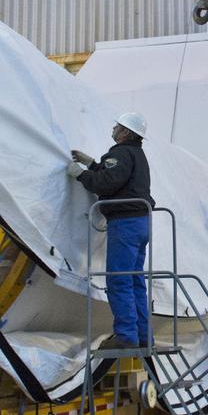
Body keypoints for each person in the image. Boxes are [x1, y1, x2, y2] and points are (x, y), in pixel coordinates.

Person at [68, 111, 153, 350]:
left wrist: (82, 174)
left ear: (126, 132)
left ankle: (126, 336)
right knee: (135, 280)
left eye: (117, 126)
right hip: (141, 222)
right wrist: (93, 164)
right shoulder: (137, 154)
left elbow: (107, 182)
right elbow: (118, 176)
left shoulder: (120, 152)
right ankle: (143, 336)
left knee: (118, 280)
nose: (113, 129)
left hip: (125, 223)